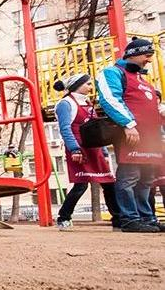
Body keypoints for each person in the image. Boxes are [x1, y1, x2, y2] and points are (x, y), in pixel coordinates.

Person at [95, 37, 164, 233]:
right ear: (133, 54)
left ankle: (147, 217)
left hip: (150, 138)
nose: (149, 60)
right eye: (146, 55)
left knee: (146, 180)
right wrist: (128, 124)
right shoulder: (113, 72)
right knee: (129, 177)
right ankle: (129, 218)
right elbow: (110, 98)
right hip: (132, 135)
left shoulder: (144, 80)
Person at [52, 73, 120, 231]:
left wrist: (103, 151)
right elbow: (65, 129)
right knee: (81, 185)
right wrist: (74, 149)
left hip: (94, 148)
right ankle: (64, 217)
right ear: (77, 85)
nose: (91, 87)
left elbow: (97, 130)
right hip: (79, 148)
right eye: (88, 84)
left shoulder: (88, 103)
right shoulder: (66, 103)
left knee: (109, 183)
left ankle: (118, 219)